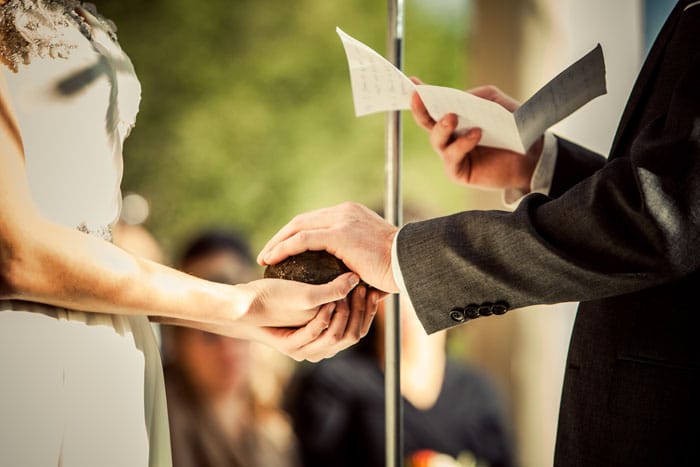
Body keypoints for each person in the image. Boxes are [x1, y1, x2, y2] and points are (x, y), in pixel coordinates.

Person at [259, 1, 700, 465]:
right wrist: (542, 163)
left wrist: (400, 253)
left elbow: (666, 217)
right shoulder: (337, 386)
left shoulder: (477, 392)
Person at [0, 2, 377, 466]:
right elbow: (16, 254)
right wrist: (242, 304)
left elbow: (89, 252)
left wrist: (256, 321)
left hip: (114, 346)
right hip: (28, 356)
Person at [286, 290, 517, 467]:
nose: (410, 302)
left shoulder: (477, 392)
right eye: (394, 287)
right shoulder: (335, 383)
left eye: (425, 287)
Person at [162, 229, 300, 467]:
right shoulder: (161, 417)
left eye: (241, 328)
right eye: (210, 331)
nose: (228, 346)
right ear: (179, 336)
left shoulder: (274, 426)